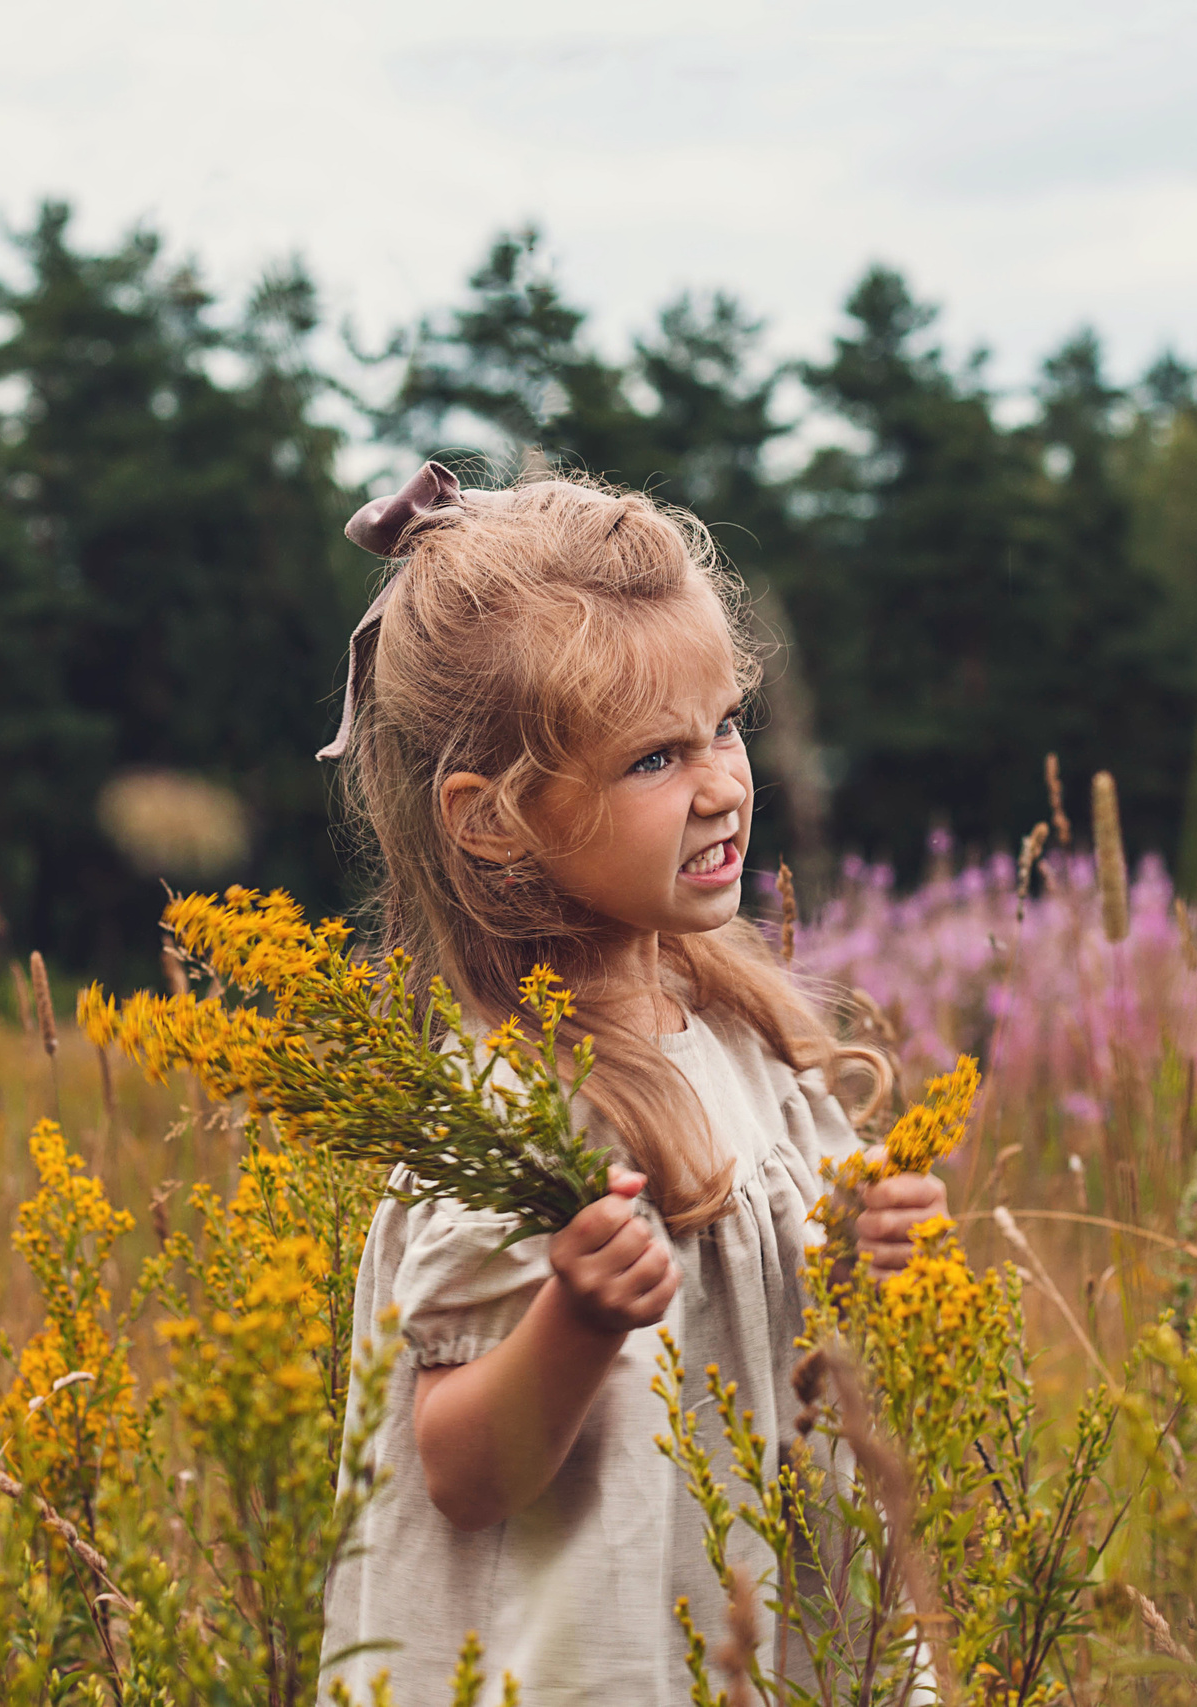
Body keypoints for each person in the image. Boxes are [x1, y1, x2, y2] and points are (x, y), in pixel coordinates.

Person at [314, 462, 952, 1704]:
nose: (721, 783)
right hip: (603, 1661)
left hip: (776, 1631)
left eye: (724, 726)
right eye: (654, 757)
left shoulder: (745, 1031)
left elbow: (790, 1339)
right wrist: (577, 1319)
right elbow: (458, 1468)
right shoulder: (515, 1107)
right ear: (491, 820)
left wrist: (880, 1256)